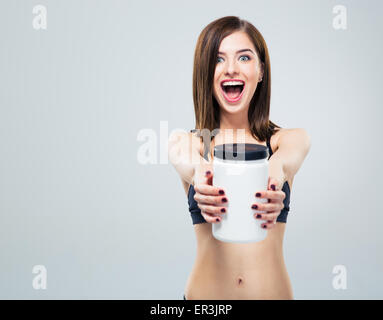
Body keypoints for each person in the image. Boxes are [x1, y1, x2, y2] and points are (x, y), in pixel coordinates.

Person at [168, 16, 311, 300]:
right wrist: (201, 176)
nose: (231, 69)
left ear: (260, 71)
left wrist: (274, 174)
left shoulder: (285, 141)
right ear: (205, 73)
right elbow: (182, 155)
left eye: (244, 57)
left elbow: (290, 155)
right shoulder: (191, 143)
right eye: (218, 60)